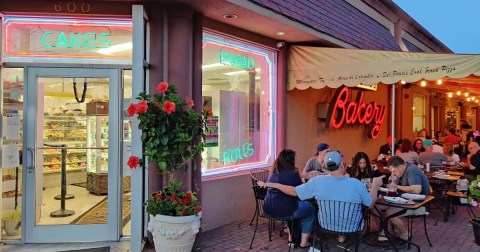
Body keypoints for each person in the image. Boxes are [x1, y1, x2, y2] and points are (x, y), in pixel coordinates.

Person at [259, 151, 384, 243]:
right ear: (342, 165)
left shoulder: (318, 181)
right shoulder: (356, 184)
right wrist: (375, 186)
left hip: (325, 225)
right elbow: (370, 204)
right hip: (352, 227)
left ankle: (303, 237)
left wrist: (271, 184)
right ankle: (344, 237)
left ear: (326, 166)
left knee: (307, 207)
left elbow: (294, 191)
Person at [263, 149, 315, 248]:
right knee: (310, 209)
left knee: (294, 205)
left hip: (268, 209)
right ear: (292, 160)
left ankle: (290, 231)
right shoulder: (292, 174)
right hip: (285, 211)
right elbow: (299, 191)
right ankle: (304, 241)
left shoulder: (272, 172)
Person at [382, 156, 430, 241]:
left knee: (390, 213)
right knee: (377, 207)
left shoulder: (412, 170)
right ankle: (382, 231)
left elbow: (416, 189)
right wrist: (394, 180)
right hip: (405, 199)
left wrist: (396, 186)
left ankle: (405, 234)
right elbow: (396, 185)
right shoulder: (402, 170)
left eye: (394, 171)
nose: (393, 173)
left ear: (400, 167)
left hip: (417, 203)